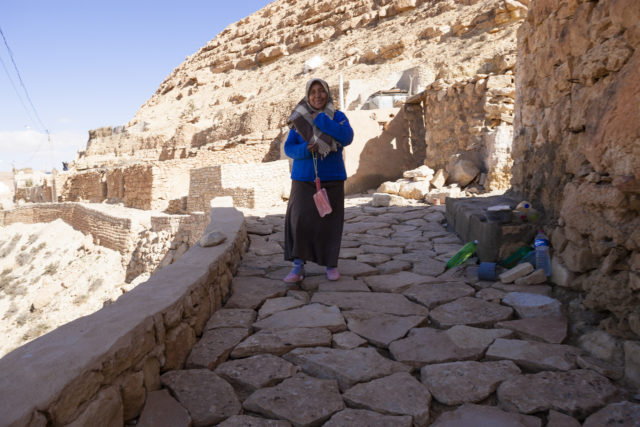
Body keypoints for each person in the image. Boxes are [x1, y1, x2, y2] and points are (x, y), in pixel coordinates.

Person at [283, 78, 354, 282]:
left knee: (329, 223)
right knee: (299, 221)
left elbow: (347, 137)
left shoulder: (337, 117)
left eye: (321, 91)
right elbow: (289, 148)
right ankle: (298, 267)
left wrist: (321, 120)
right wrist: (305, 149)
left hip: (332, 178)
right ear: (307, 95)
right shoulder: (298, 119)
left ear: (327, 93)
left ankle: (331, 265)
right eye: (312, 91)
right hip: (303, 179)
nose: (317, 95)